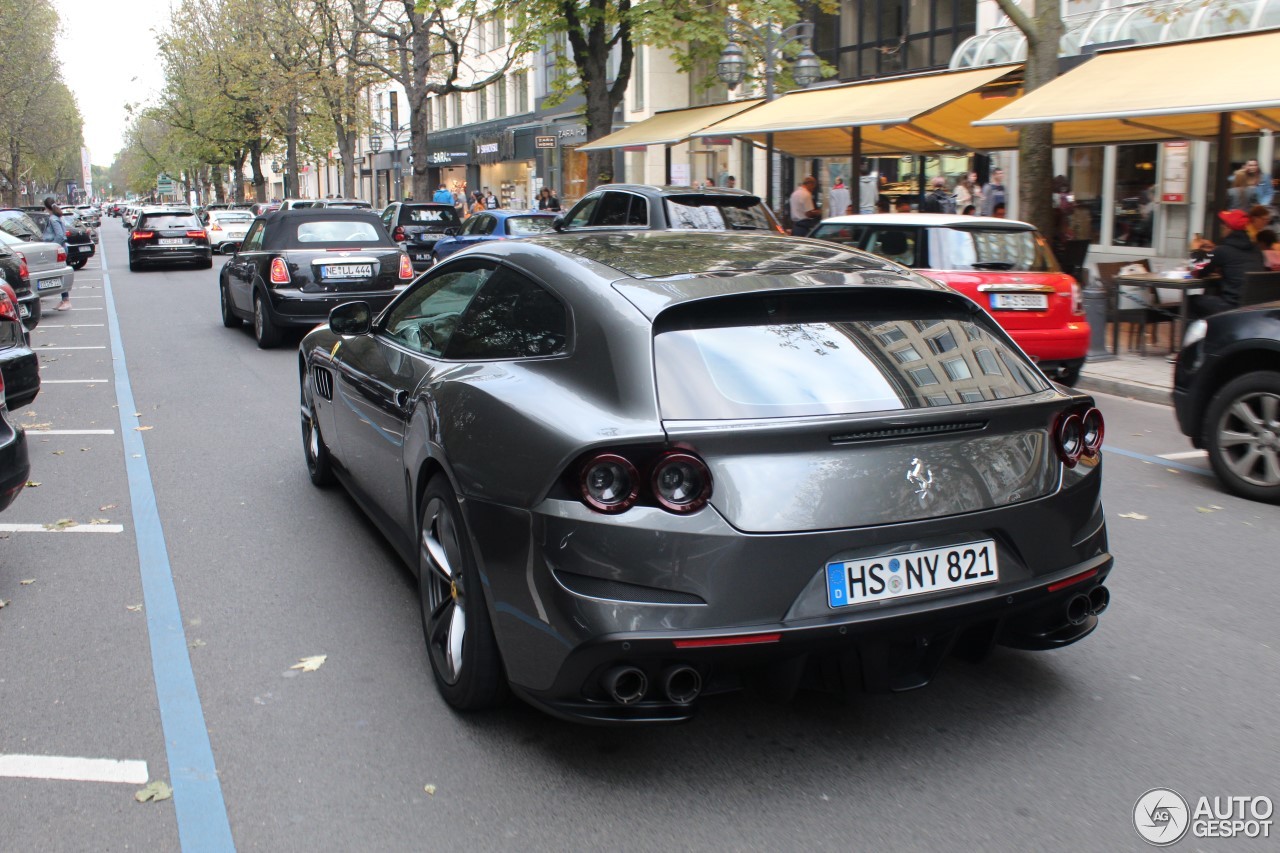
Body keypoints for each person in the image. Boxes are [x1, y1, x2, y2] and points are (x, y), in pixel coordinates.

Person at [1192, 209, 1266, 317]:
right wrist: (1214, 250)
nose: (1221, 226)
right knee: (1212, 292)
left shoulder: (1222, 250)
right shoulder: (1256, 249)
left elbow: (1197, 270)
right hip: (1254, 307)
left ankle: (1194, 334)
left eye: (1224, 224)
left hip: (1232, 306)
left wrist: (1195, 250)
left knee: (1191, 301)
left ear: (1229, 228)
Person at [42, 197, 71, 311]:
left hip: (58, 249)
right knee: (59, 273)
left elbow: (60, 235)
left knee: (60, 273)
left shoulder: (53, 219)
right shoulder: (58, 217)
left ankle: (66, 300)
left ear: (46, 207)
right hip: (61, 248)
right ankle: (64, 299)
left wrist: (53, 246)